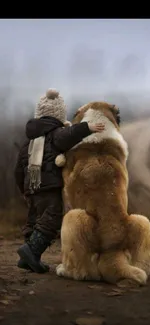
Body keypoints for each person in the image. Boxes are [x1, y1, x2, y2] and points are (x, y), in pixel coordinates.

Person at [15, 88, 105, 274]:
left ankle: (30, 258)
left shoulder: (28, 143)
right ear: (58, 115)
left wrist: (24, 190)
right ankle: (31, 251)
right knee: (52, 218)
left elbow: (18, 170)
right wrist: (87, 127)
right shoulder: (55, 134)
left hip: (31, 187)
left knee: (34, 220)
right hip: (49, 186)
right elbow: (69, 135)